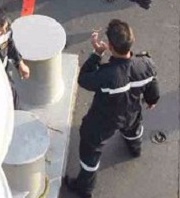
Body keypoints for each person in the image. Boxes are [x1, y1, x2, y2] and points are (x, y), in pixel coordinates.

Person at [62, 19, 159, 198]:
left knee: (90, 148)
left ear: (111, 47)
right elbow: (152, 82)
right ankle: (135, 148)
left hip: (104, 121)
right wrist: (152, 99)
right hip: (131, 112)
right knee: (133, 129)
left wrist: (97, 54)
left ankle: (85, 188)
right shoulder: (145, 63)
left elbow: (84, 79)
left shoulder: (106, 75)